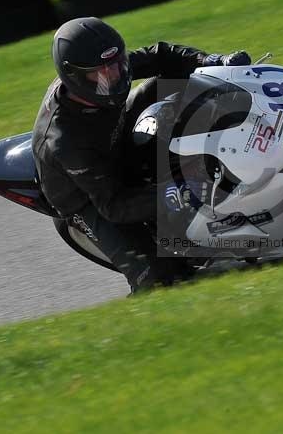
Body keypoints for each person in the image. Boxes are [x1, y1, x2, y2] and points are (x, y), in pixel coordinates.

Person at [32, 17, 250, 293]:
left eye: (117, 64)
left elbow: (161, 56)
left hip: (114, 138)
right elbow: (115, 204)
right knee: (160, 281)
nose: (114, 76)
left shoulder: (108, 67)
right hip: (88, 198)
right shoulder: (65, 141)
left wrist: (213, 61)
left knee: (170, 82)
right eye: (102, 73)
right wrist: (182, 192)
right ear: (74, 76)